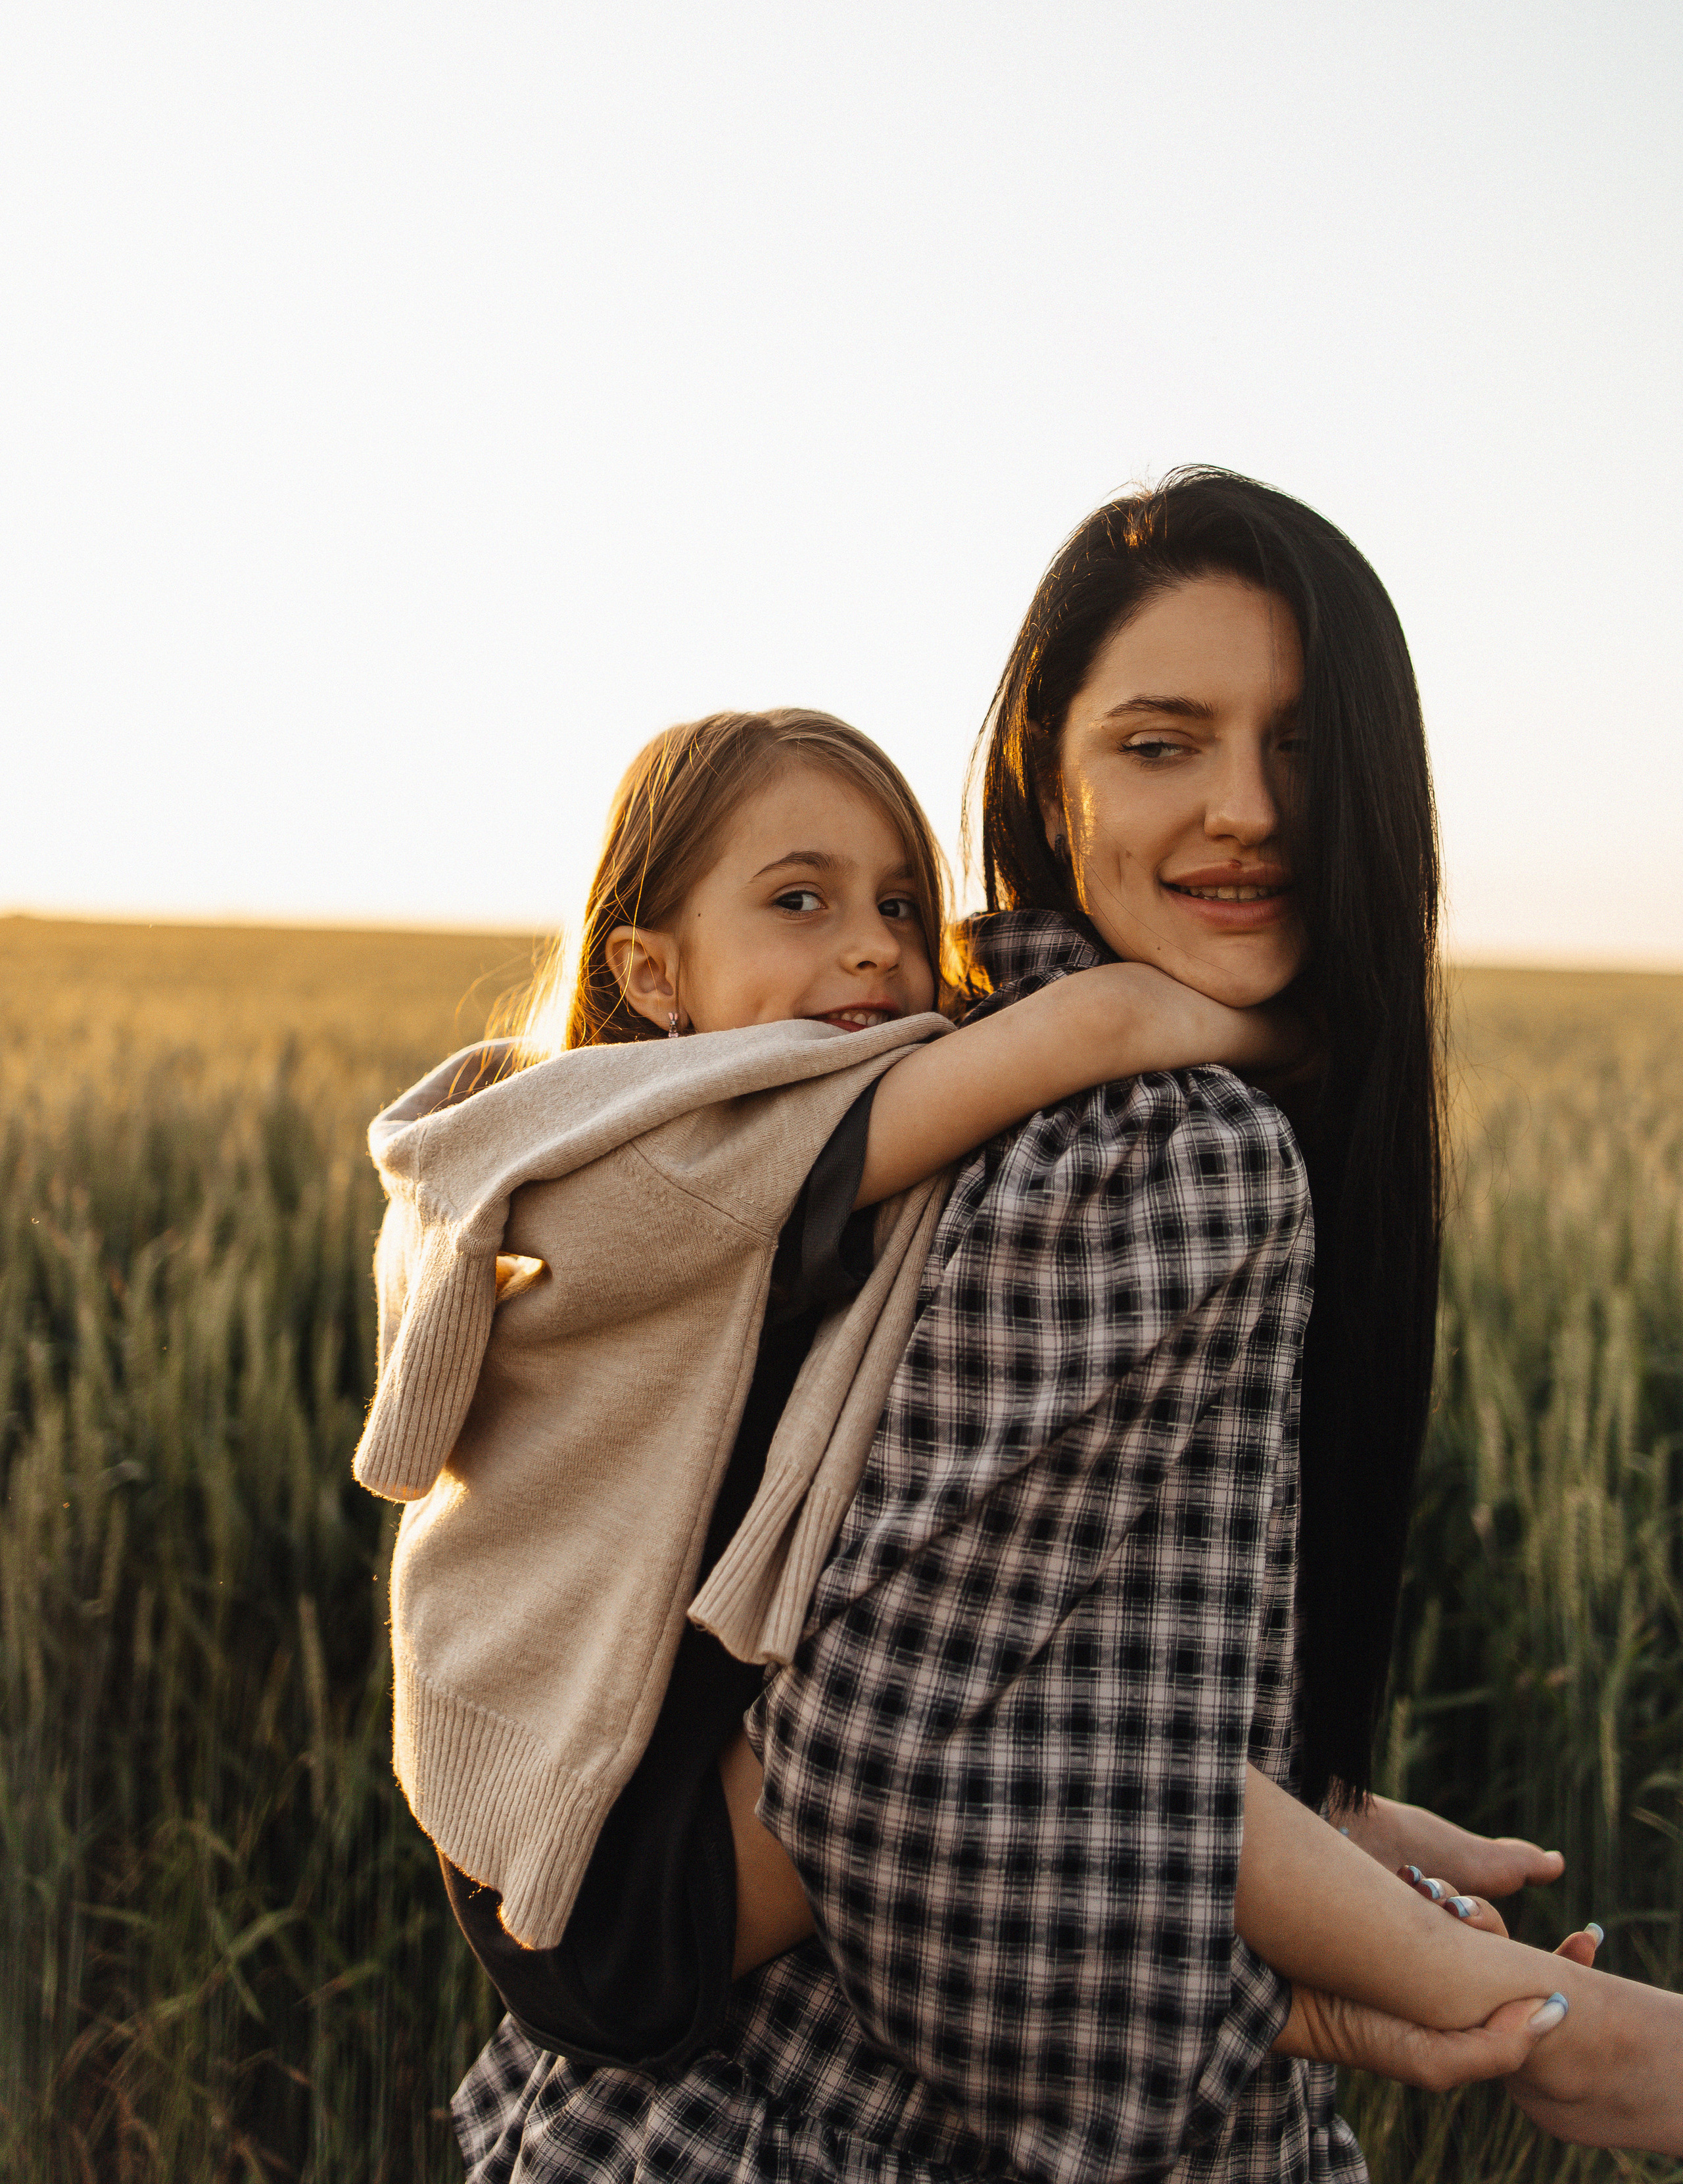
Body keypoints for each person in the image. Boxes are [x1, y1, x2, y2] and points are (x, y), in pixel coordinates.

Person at [448, 472, 1683, 2182]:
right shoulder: (1163, 1147)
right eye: (1164, 743)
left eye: (1304, 746)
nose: (1247, 808)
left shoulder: (961, 1068)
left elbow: (1073, 1674)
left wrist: (1332, 1825)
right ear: (1046, 775)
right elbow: (891, 1760)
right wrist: (1466, 1999)